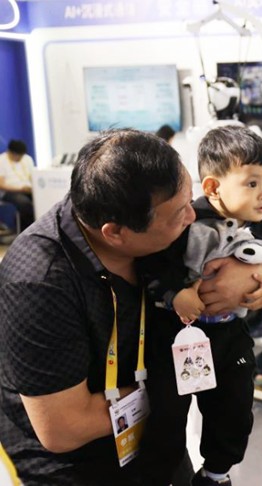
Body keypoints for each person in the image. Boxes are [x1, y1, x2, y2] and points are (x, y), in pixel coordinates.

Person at [0, 129, 197, 486]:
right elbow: (63, 428)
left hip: (151, 435)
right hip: (75, 465)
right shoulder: (40, 282)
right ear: (115, 233)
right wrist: (174, 385)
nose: (192, 218)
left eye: (190, 200)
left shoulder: (148, 217)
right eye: (179, 213)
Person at [143, 125, 262, 486]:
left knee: (234, 410)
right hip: (176, 338)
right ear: (213, 187)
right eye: (252, 183)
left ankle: (216, 474)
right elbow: (151, 266)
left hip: (230, 336)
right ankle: (161, 474)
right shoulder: (185, 224)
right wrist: (175, 293)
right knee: (167, 414)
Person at [0, 139, 35, 231]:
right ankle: (28, 230)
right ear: (10, 152)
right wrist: (21, 189)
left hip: (28, 189)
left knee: (41, 199)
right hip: (9, 192)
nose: (20, 158)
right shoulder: (2, 160)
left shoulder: (27, 159)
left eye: (21, 155)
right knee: (24, 203)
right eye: (17, 155)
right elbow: (1, 184)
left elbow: (33, 176)